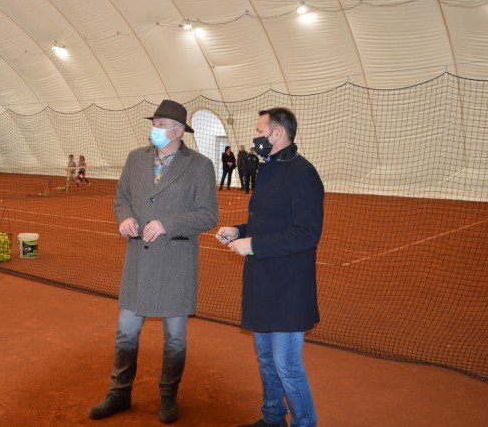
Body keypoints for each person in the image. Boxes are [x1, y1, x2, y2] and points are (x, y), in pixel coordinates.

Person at [89, 100, 218, 424]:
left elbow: (208, 215)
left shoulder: (200, 166)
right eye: (154, 123)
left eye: (161, 124)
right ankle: (119, 394)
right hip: (139, 262)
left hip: (176, 264)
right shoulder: (136, 158)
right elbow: (122, 198)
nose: (155, 129)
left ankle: (168, 396)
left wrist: (167, 223)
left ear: (178, 131)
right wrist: (125, 217)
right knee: (126, 333)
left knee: (175, 338)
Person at [215, 108, 324, 427]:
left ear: (277, 134)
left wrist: (254, 245)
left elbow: (307, 233)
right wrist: (239, 231)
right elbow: (266, 223)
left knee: (287, 366)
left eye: (259, 131)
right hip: (263, 282)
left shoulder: (303, 173)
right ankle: (273, 417)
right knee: (266, 359)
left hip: (288, 288)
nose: (255, 136)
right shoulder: (268, 169)